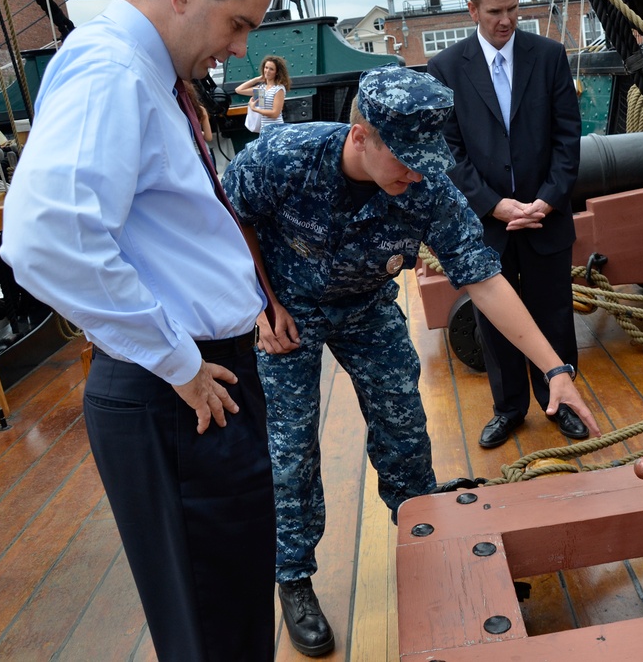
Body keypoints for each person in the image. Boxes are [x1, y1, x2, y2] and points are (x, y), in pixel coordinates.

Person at [221, 63, 600, 658]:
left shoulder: (426, 185)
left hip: (367, 305)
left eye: (425, 156)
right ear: (360, 136)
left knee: (405, 430)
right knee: (291, 447)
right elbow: (228, 216)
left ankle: (423, 537)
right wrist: (259, 304)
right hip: (287, 307)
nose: (416, 170)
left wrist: (556, 370)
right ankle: (293, 577)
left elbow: (484, 278)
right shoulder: (285, 156)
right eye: (403, 155)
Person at [0, 0, 285, 661]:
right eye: (238, 22)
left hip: (192, 380)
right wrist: (177, 360)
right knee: (212, 627)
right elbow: (47, 236)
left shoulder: (141, 73)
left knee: (228, 610)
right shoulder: (114, 73)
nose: (242, 48)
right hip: (178, 392)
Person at [428, 0, 586, 449]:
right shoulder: (446, 69)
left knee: (554, 310)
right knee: (493, 321)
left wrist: (548, 199)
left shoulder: (550, 56)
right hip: (487, 222)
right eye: (495, 11)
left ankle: (559, 401)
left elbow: (567, 138)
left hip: (544, 216)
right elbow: (448, 151)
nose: (506, 20)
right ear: (473, 9)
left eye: (514, 9)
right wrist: (494, 205)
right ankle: (509, 408)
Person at [235, 53, 290, 129]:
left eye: (271, 69)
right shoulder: (262, 88)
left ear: (277, 72)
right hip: (264, 128)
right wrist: (256, 79)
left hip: (276, 128)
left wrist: (254, 109)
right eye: (266, 68)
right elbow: (238, 90)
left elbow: (275, 113)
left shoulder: (279, 89)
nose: (267, 71)